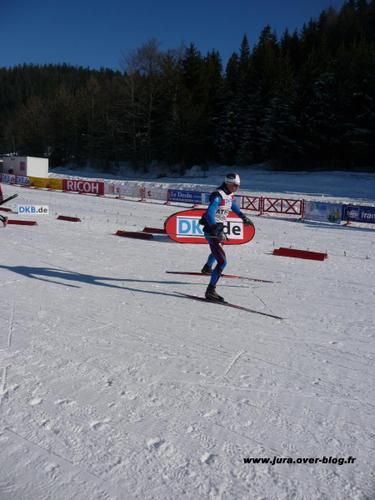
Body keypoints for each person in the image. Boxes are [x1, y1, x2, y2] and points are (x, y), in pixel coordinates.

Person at [199, 173, 253, 302]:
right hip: (212, 231)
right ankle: (210, 291)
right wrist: (215, 229)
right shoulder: (218, 196)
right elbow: (209, 214)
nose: (237, 187)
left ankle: (207, 268)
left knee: (218, 249)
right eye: (235, 185)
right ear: (228, 183)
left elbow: (232, 205)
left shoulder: (228, 194)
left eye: (238, 185)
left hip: (217, 229)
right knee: (223, 262)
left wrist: (243, 216)